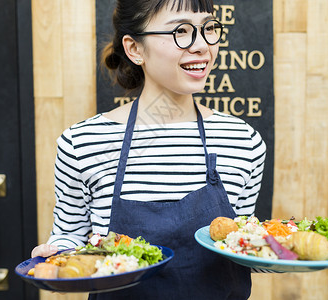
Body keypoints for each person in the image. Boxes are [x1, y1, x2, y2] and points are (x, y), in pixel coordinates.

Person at [32, 0, 266, 298]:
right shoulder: (82, 142)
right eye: (181, 31)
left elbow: (240, 245)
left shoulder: (243, 141)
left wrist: (281, 249)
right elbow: (69, 237)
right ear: (134, 49)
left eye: (208, 28)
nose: (202, 46)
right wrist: (56, 256)